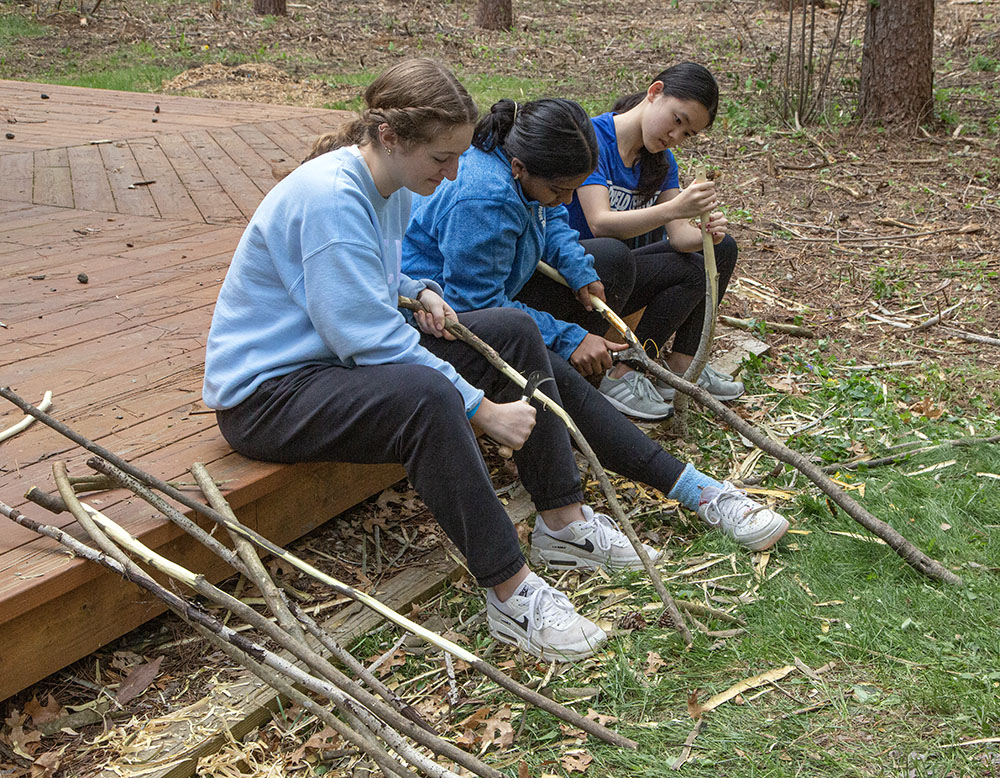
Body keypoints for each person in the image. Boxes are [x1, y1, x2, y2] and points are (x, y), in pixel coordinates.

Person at [200, 59, 677, 663]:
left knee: (510, 324)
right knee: (425, 400)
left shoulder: (389, 185)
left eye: (457, 156)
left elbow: (380, 279)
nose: (454, 173)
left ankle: (563, 523)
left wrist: (419, 288)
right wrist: (480, 407)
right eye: (441, 159)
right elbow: (366, 338)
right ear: (390, 136)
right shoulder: (330, 200)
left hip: (331, 362)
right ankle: (510, 590)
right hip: (268, 395)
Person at [402, 97, 789, 554]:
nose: (567, 200)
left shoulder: (520, 164)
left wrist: (579, 270)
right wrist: (569, 336)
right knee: (541, 365)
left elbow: (553, 221)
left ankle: (594, 429)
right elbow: (478, 307)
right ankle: (693, 492)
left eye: (573, 189)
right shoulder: (484, 197)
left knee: (603, 263)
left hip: (487, 305)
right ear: (521, 168)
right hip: (443, 324)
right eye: (560, 190)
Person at [566, 62, 745, 404]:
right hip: (580, 277)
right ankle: (626, 370)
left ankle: (683, 367)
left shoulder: (661, 161)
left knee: (722, 250)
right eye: (678, 121)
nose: (675, 136)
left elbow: (678, 237)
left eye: (688, 134)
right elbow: (599, 222)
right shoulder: (593, 139)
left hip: (621, 278)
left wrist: (706, 233)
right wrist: (675, 209)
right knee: (667, 264)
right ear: (655, 92)